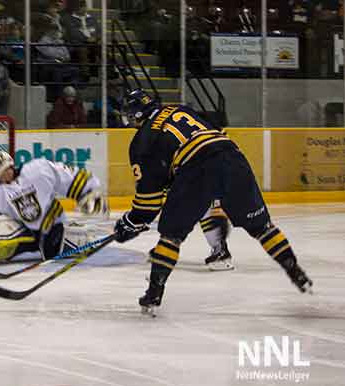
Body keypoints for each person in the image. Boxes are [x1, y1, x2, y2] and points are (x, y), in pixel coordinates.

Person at [113, 89, 313, 315]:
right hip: (233, 157)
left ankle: (153, 295)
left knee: (171, 237)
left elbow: (148, 204)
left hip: (197, 169)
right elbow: (214, 136)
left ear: (137, 114)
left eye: (129, 115)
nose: (127, 120)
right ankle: (295, 271)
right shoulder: (180, 109)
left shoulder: (142, 141)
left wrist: (130, 223)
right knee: (263, 228)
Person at [0, 151, 107, 268]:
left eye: (0, 169)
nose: (0, 174)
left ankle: (82, 239)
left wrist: (90, 191)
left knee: (55, 251)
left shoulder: (38, 169)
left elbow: (69, 177)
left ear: (9, 164)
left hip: (52, 225)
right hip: (25, 232)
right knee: (0, 234)